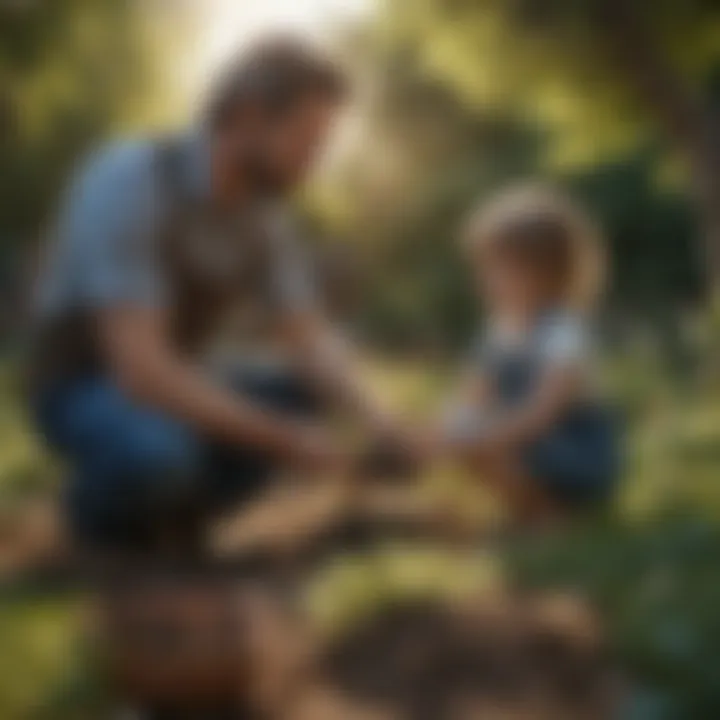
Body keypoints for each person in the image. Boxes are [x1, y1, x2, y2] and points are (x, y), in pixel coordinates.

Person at [29, 37, 413, 554]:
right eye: (307, 139)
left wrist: (379, 422)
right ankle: (93, 519)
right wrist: (285, 438)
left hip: (175, 381)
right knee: (157, 457)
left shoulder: (264, 222)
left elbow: (309, 340)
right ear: (248, 117)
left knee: (305, 396)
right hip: (83, 384)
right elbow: (140, 370)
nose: (314, 162)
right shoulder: (129, 181)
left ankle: (178, 514)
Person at [439, 184, 620, 525]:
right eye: (484, 269)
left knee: (484, 442)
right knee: (468, 438)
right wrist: (452, 430)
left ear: (546, 272)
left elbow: (542, 413)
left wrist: (480, 437)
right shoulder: (499, 331)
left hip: (569, 451)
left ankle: (553, 512)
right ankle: (529, 507)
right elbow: (473, 395)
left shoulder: (562, 331)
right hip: (524, 441)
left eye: (501, 269)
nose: (487, 281)